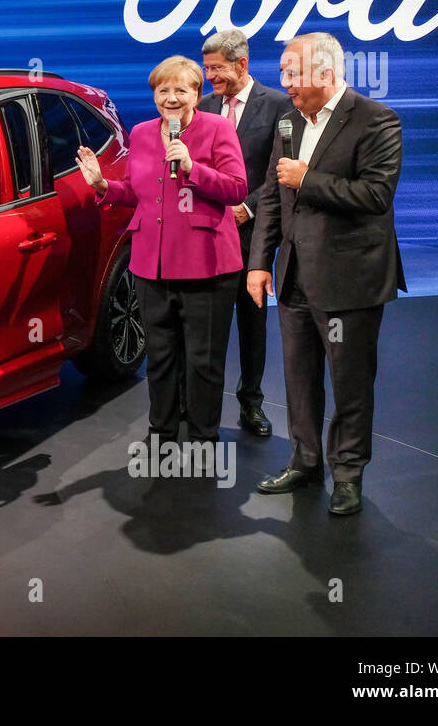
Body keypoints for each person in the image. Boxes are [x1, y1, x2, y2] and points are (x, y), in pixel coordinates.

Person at [247, 32, 406, 515]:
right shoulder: (289, 122)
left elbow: (375, 196)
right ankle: (305, 461)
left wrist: (307, 180)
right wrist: (258, 263)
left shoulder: (376, 119)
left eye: (293, 74)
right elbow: (272, 198)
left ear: (325, 72)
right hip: (294, 275)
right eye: (283, 75)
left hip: (350, 279)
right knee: (298, 378)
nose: (286, 84)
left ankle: (348, 474)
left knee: (350, 383)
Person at [76, 56, 247, 446]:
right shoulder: (141, 133)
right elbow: (139, 194)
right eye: (163, 90)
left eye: (180, 90)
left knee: (203, 360)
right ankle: (162, 432)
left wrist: (192, 167)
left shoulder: (217, 129)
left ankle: (204, 435)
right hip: (151, 264)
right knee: (161, 355)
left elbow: (236, 188)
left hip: (207, 264)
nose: (171, 98)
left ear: (196, 95)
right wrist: (103, 185)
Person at [198, 29, 294, 438]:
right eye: (206, 70)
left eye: (216, 69)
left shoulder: (278, 105)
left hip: (253, 234)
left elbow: (283, 167)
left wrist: (247, 205)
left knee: (252, 325)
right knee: (210, 328)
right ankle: (204, 411)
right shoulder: (201, 106)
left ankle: (251, 405)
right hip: (206, 236)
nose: (209, 78)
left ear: (242, 64)